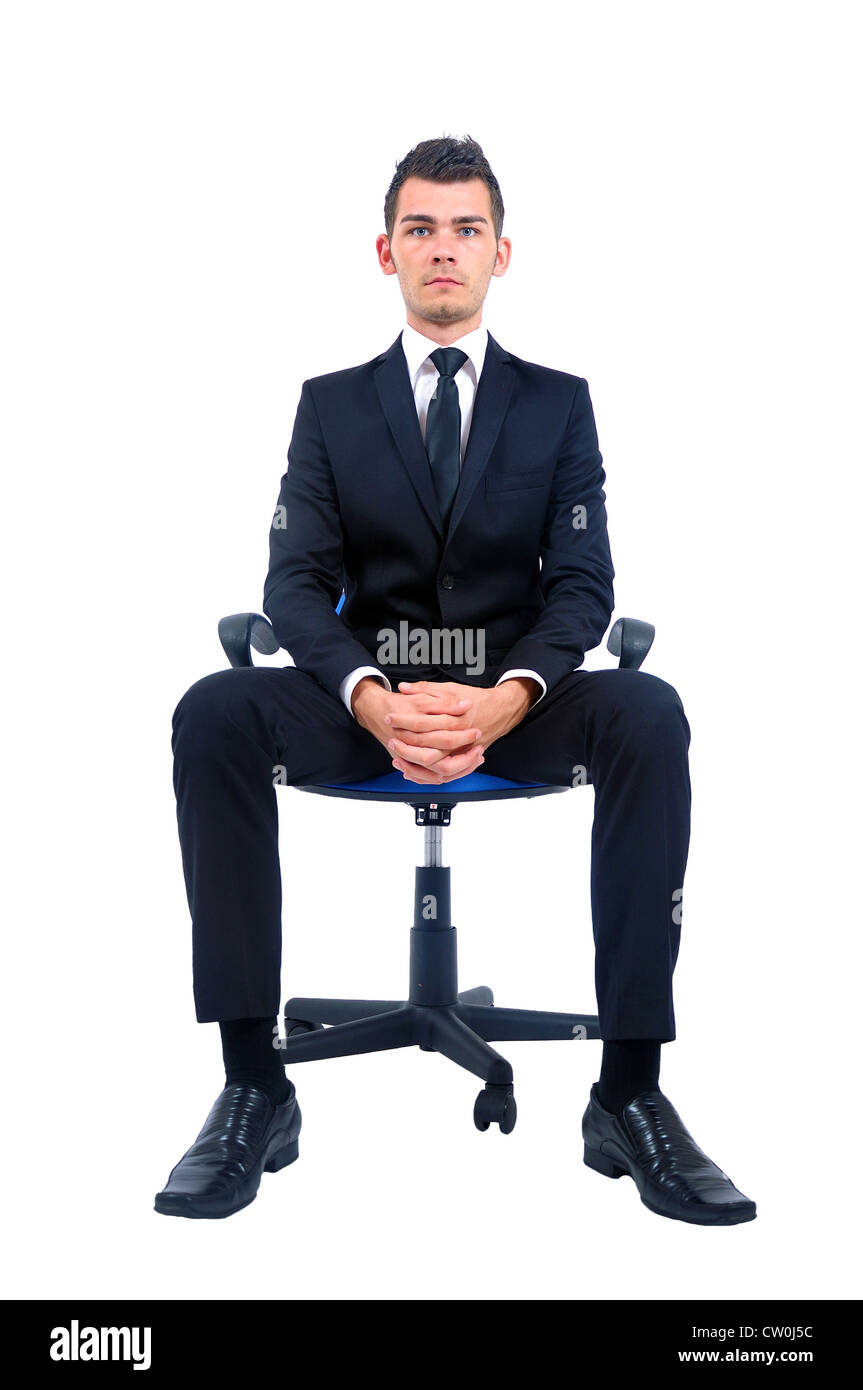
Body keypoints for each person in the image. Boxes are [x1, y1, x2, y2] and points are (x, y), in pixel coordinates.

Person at [156, 134, 756, 1226]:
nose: (444, 249)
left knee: (647, 712)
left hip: (511, 705)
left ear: (501, 252)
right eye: (421, 229)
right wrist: (372, 698)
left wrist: (509, 695)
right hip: (366, 699)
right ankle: (252, 1081)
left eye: (465, 229)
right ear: (384, 252)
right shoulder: (330, 406)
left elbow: (580, 584)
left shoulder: (556, 404)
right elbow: (292, 585)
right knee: (214, 710)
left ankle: (629, 1094)